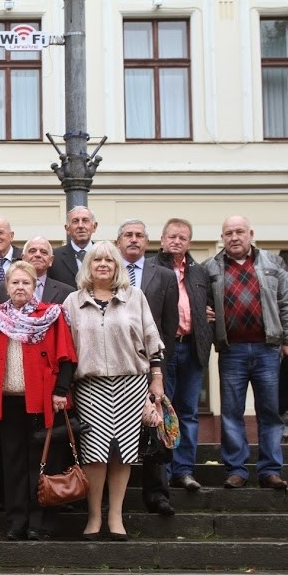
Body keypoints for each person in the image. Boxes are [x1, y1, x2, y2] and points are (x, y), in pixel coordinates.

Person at [63, 241, 164, 541]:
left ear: (118, 266)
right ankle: (94, 516)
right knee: (94, 452)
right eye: (97, 260)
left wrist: (156, 381)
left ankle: (116, 515)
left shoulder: (135, 297)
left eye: (109, 259)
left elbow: (152, 340)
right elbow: (65, 349)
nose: (103, 264)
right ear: (88, 267)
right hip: (90, 385)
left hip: (131, 383)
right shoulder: (72, 301)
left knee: (124, 452)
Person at [0, 261, 77, 540]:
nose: (20, 287)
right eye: (15, 283)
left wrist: (60, 392)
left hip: (41, 402)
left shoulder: (52, 315)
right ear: (7, 286)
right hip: (6, 402)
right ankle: (16, 521)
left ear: (35, 287)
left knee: (41, 464)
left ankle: (38, 521)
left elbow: (67, 358)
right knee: (13, 464)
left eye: (26, 283)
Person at [203, 215, 288, 490]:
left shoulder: (273, 263)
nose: (234, 237)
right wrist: (207, 312)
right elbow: (201, 303)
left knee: (269, 412)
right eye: (228, 233)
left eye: (239, 232)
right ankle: (236, 470)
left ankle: (270, 470)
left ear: (250, 234)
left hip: (268, 348)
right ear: (222, 238)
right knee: (231, 413)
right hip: (231, 351)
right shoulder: (210, 267)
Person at [116, 219, 179, 517]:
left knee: (154, 427)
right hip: (115, 364)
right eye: (128, 235)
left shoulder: (165, 276)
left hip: (150, 364)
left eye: (139, 235)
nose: (133, 240)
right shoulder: (105, 271)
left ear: (147, 242)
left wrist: (160, 372)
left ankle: (157, 494)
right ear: (118, 242)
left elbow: (168, 328)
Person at [156, 218, 213, 492]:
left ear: (189, 242)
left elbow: (212, 306)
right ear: (162, 239)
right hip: (164, 350)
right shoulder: (152, 269)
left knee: (188, 412)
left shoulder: (200, 272)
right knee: (166, 410)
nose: (177, 242)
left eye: (182, 238)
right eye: (172, 237)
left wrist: (207, 319)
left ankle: (184, 470)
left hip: (192, 348)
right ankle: (163, 470)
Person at [49, 206, 99, 289]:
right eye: (75, 221)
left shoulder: (105, 255)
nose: (80, 225)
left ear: (94, 227)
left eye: (85, 220)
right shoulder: (54, 257)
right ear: (67, 229)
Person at [21, 236, 74, 305]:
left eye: (44, 252)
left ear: (51, 260)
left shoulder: (67, 292)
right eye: (32, 251)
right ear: (23, 258)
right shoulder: (4, 289)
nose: (38, 255)